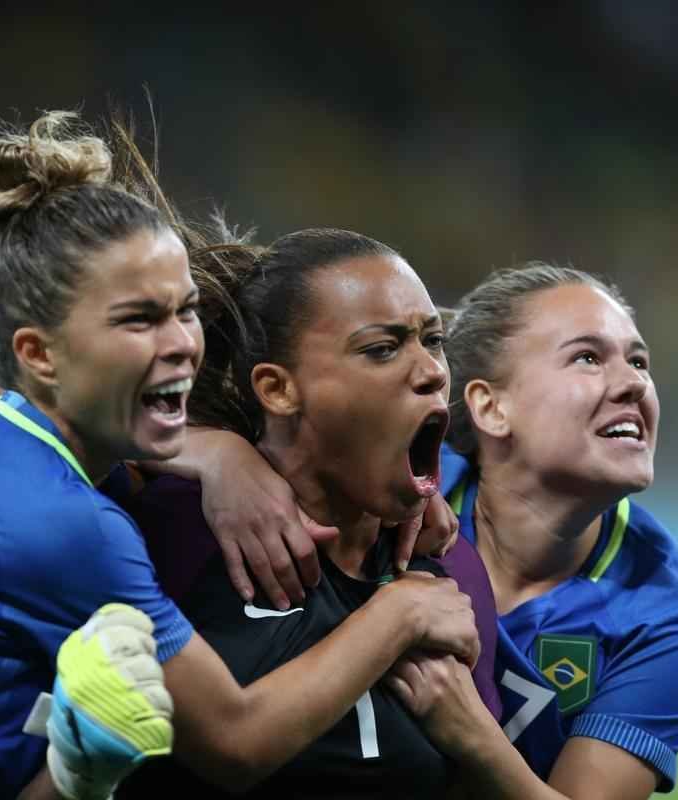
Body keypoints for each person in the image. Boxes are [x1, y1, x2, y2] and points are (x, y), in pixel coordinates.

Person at [0, 111, 479, 800]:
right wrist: (401, 614)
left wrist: (212, 454)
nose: (183, 342)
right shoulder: (67, 528)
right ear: (38, 353)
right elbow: (238, 744)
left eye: (184, 310)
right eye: (138, 320)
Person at [192, 263, 678, 798]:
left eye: (638, 361)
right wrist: (216, 454)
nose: (634, 382)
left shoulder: (668, 618)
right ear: (490, 406)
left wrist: (470, 732)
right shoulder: (396, 485)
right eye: (588, 357)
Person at [113, 222, 500, 798]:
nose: (431, 372)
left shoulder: (450, 570)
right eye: (382, 349)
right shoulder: (169, 530)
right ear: (277, 389)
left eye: (434, 340)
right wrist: (207, 452)